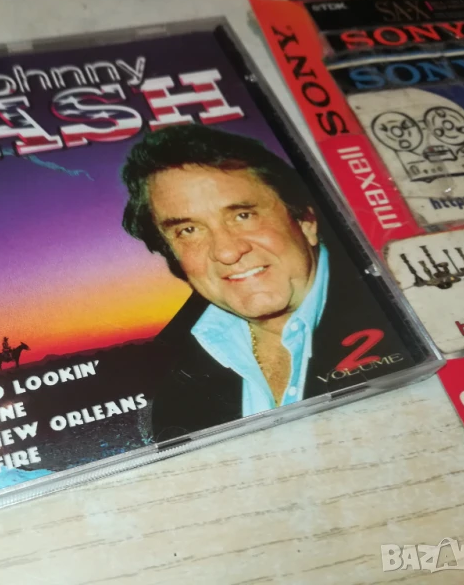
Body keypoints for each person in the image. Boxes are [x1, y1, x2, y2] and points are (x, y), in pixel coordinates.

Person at [121, 124, 411, 442]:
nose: (227, 251)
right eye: (188, 230)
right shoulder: (170, 383)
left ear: (306, 221)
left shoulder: (405, 315)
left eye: (243, 215)